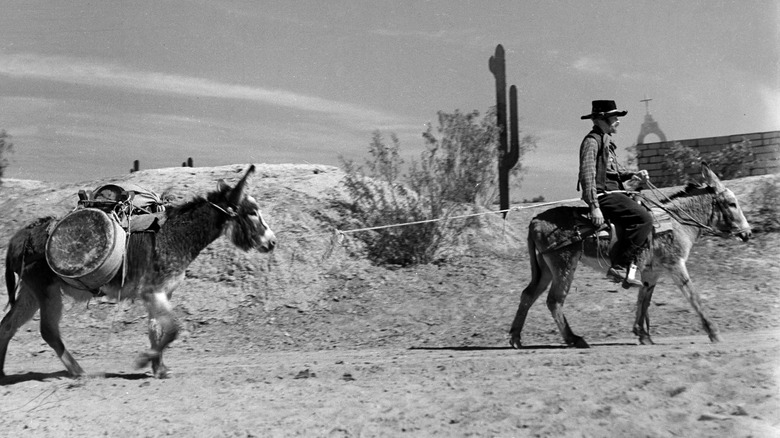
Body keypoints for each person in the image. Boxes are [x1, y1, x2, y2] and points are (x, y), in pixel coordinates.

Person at [577, 100, 652, 288]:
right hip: (604, 195)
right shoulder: (591, 142)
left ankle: (633, 268)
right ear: (603, 119)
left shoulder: (607, 141)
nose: (618, 121)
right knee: (644, 219)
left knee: (645, 206)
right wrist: (594, 206)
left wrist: (633, 174)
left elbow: (615, 171)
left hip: (615, 192)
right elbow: (587, 175)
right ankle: (620, 267)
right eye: (615, 117)